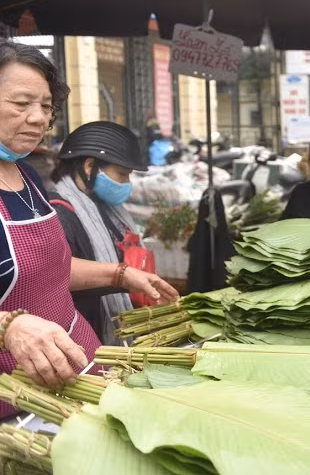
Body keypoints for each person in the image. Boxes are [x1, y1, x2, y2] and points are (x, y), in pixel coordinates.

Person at [0, 39, 178, 414]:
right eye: (21, 103)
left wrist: (120, 275)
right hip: (17, 397)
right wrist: (9, 327)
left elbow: (49, 271)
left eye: (46, 106)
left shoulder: (28, 176)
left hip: (79, 367)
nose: (38, 118)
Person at [48, 121, 153, 344]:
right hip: (84, 335)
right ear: (89, 166)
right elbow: (56, 277)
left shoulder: (106, 208)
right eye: (122, 174)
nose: (127, 183)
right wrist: (120, 276)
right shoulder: (58, 213)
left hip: (117, 327)